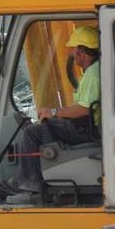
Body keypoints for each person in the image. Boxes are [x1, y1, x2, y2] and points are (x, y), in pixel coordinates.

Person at [8, 25, 102, 203]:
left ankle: (30, 187)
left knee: (32, 132)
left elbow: (84, 109)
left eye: (73, 50)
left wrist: (53, 112)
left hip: (86, 129)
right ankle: (38, 175)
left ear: (82, 52)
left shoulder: (93, 75)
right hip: (88, 125)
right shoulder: (94, 71)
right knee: (45, 127)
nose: (72, 55)